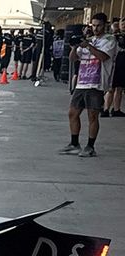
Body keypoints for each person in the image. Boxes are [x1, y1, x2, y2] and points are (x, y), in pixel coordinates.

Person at [59, 13, 118, 156]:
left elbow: (103, 57)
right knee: (72, 113)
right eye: (93, 25)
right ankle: (74, 143)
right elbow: (73, 59)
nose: (95, 28)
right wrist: (74, 47)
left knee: (93, 116)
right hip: (82, 82)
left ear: (105, 25)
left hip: (96, 84)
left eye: (98, 25)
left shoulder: (110, 40)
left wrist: (89, 46)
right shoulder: (88, 40)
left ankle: (90, 146)